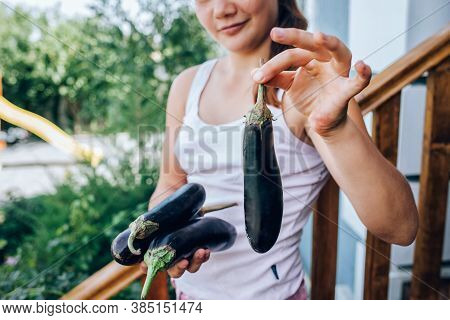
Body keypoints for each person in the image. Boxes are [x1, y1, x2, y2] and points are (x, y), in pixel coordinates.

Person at [141, 0, 418, 300]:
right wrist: (167, 233)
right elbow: (169, 185)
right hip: (188, 297)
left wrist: (336, 131)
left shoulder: (310, 87)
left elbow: (400, 228)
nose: (221, 9)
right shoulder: (187, 84)